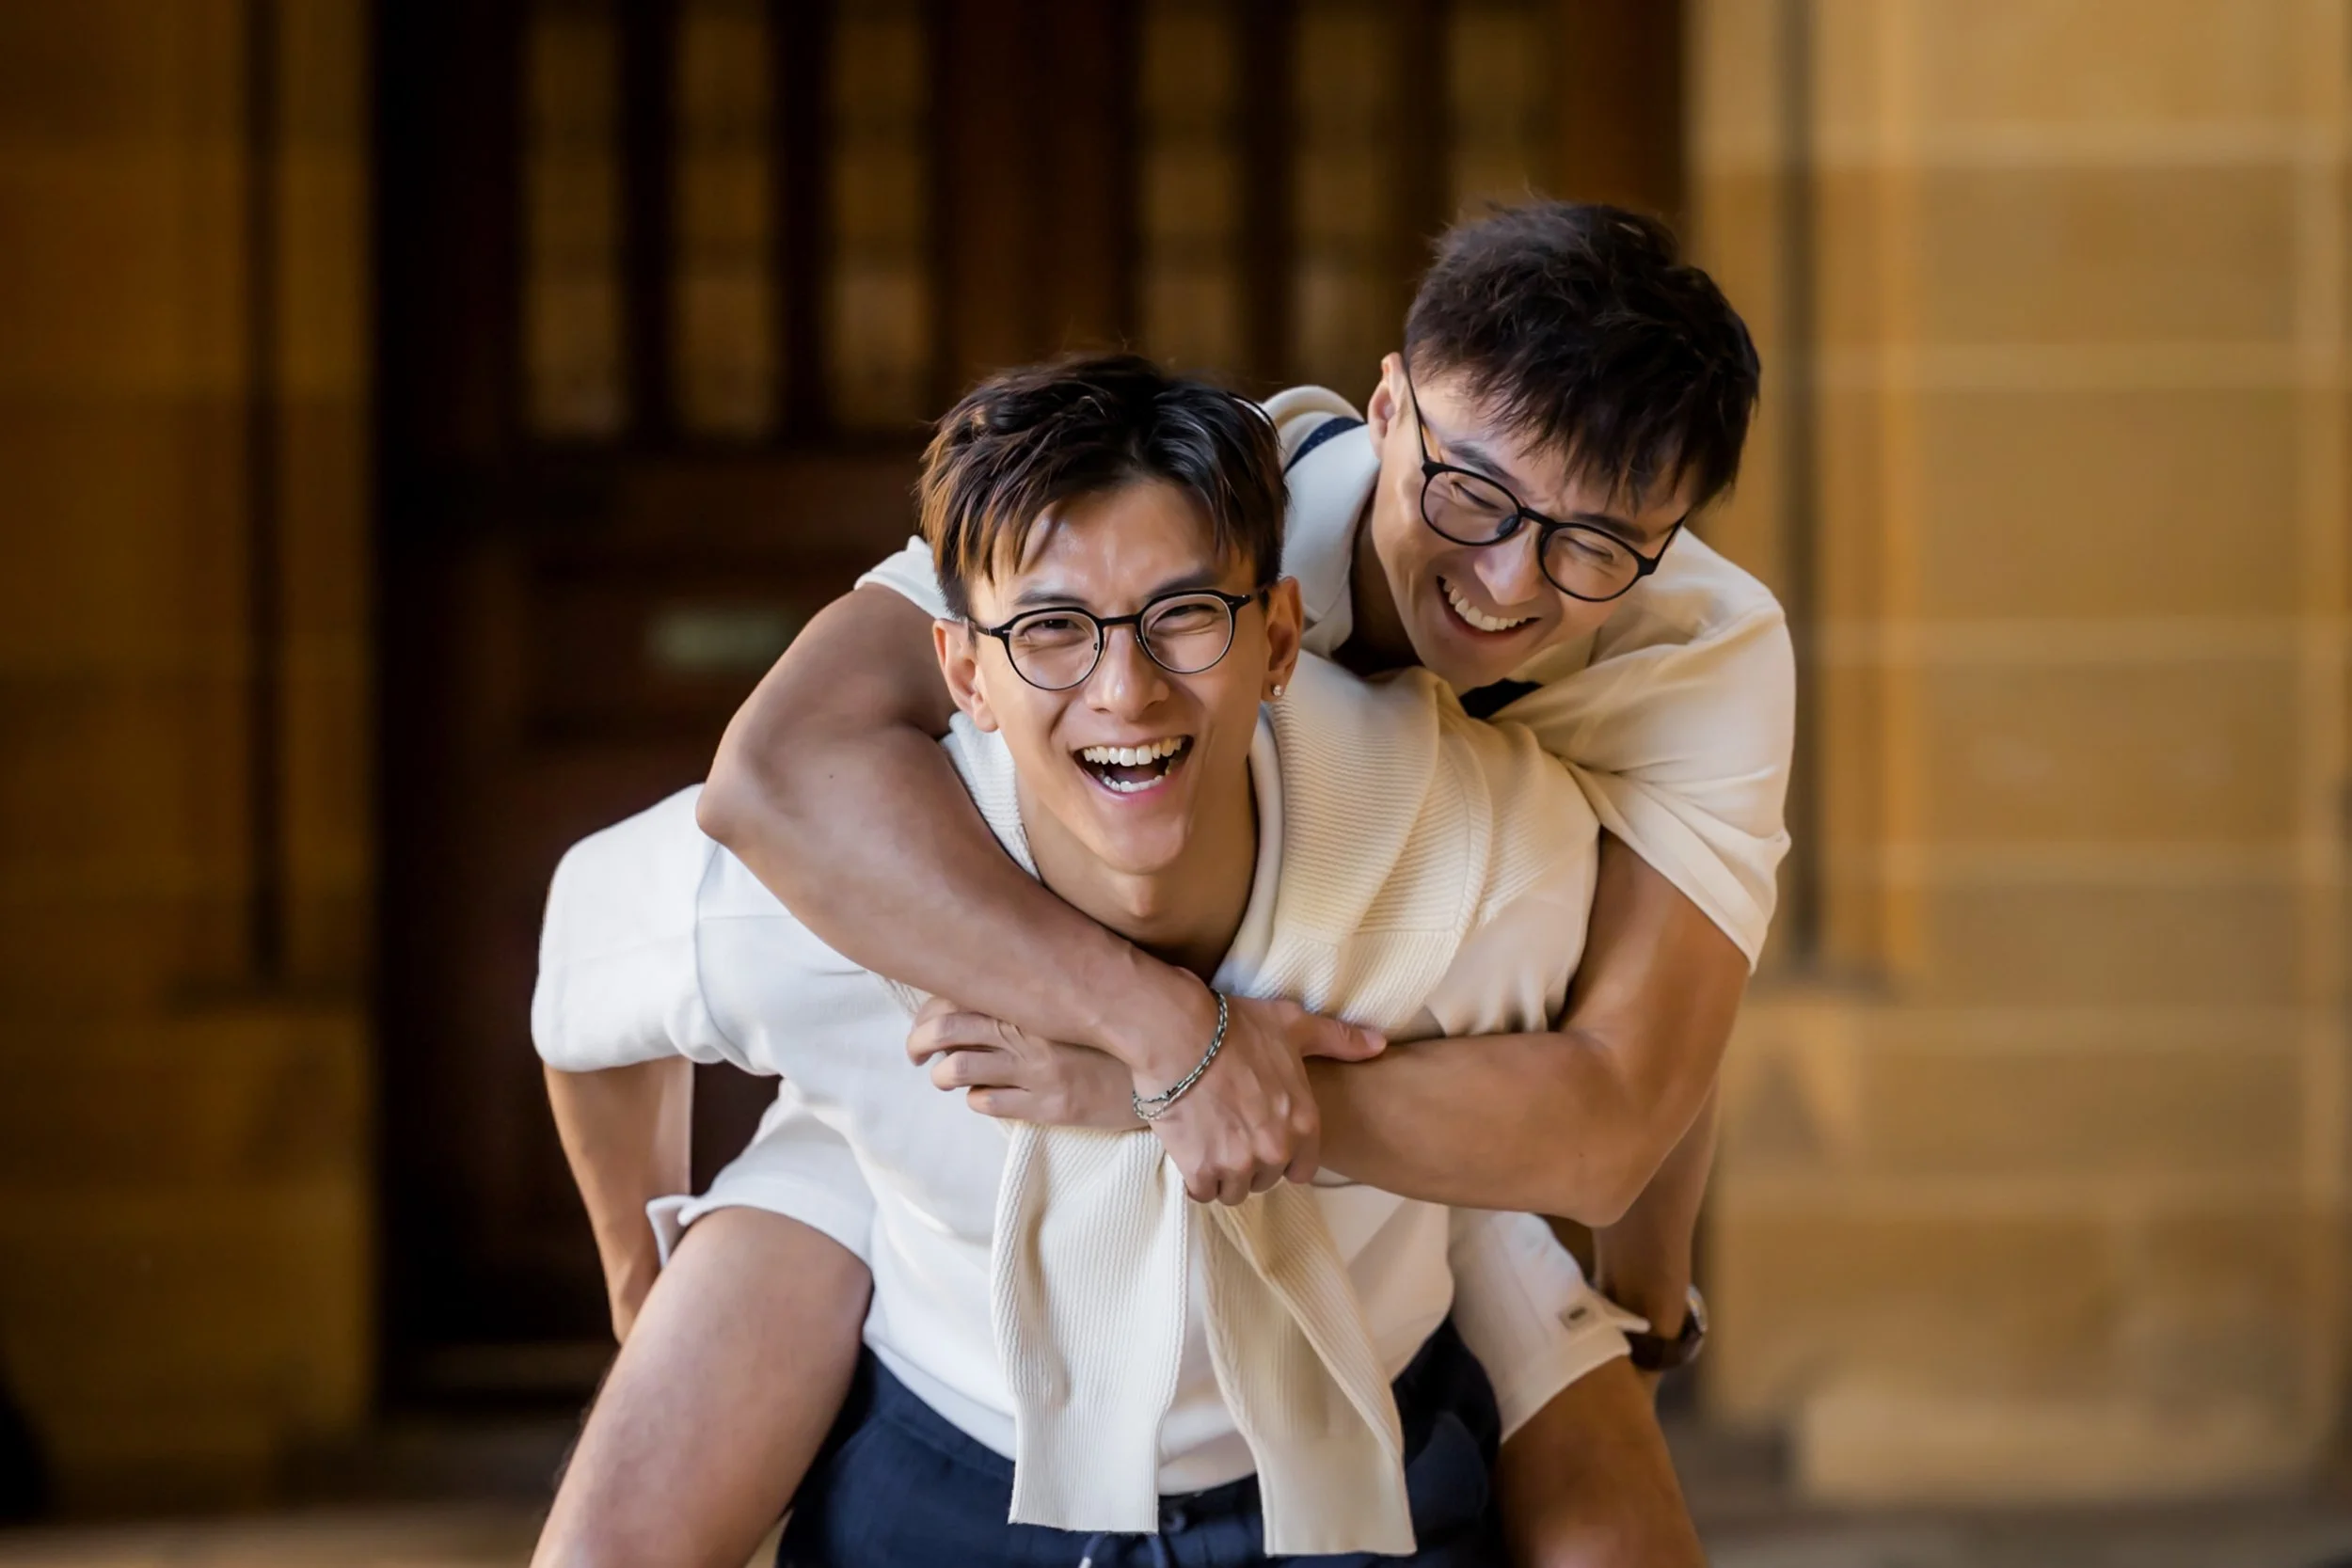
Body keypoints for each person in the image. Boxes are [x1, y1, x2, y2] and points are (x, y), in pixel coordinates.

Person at [532, 356, 1706, 1567]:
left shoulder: (1470, 862)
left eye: (1183, 615)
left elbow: (1648, 1082)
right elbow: (585, 960)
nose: (1123, 688)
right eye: (1048, 630)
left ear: (1280, 639)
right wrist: (640, 1280)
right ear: (962, 673)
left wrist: (1638, 1317)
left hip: (1350, 1452)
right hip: (953, 1437)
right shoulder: (831, 883)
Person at [695, 201, 1789, 1359]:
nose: (1509, 578)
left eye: (1595, 545)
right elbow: (772, 773)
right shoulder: (1200, 503)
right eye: (1470, 492)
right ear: (1386, 409)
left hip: (1446, 1148)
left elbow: (1619, 1116)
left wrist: (1160, 1088)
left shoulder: (1705, 657)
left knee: (1605, 1531)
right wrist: (1159, 1030)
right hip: (985, 1102)